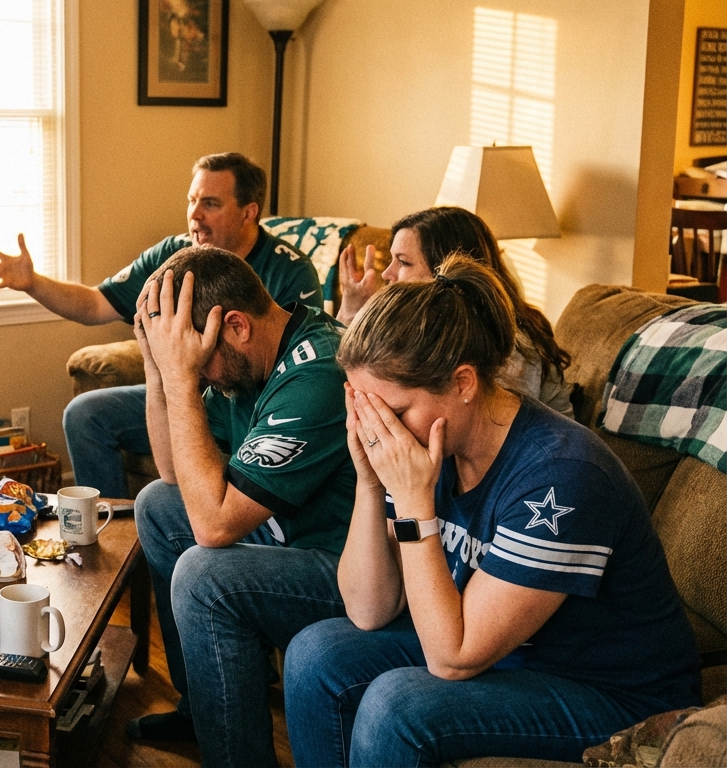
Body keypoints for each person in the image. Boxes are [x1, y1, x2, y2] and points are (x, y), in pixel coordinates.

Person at [283, 256, 700, 767]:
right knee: (317, 654)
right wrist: (371, 484)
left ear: (463, 383)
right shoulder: (426, 445)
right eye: (366, 410)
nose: (379, 431)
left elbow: (453, 658)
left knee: (398, 707)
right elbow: (369, 609)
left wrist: (413, 503)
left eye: (393, 412)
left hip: (612, 693)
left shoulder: (563, 474)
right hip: (513, 656)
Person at [125, 245, 355, 762]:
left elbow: (215, 525)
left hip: (347, 571)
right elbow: (172, 472)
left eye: (199, 358)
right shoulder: (251, 357)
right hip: (286, 536)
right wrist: (159, 372)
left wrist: (182, 380)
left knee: (203, 576)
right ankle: (203, 711)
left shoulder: (318, 373)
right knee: (158, 506)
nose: (200, 374)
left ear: (236, 326)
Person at [0, 153, 323, 498]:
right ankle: (115, 522)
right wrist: (33, 284)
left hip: (244, 399)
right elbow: (95, 304)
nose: (195, 214)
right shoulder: (174, 254)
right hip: (181, 388)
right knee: (84, 415)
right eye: (191, 201)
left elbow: (292, 364)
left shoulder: (290, 271)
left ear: (248, 212)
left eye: (210, 203)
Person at [335, 206, 573, 416]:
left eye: (404, 262)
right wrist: (351, 312)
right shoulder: (425, 327)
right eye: (391, 260)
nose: (387, 274)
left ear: (447, 270)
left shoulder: (504, 348)